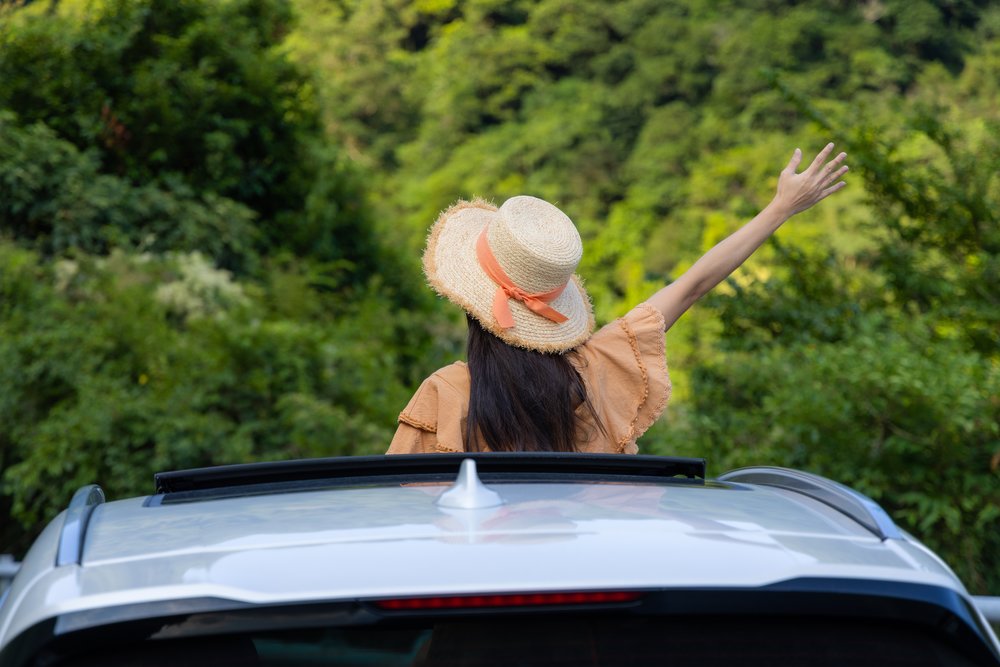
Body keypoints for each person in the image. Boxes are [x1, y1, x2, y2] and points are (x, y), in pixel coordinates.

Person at [387, 144, 849, 455]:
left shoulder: (445, 393)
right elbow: (692, 284)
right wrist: (780, 208)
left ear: (472, 305)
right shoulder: (595, 375)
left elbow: (402, 513)